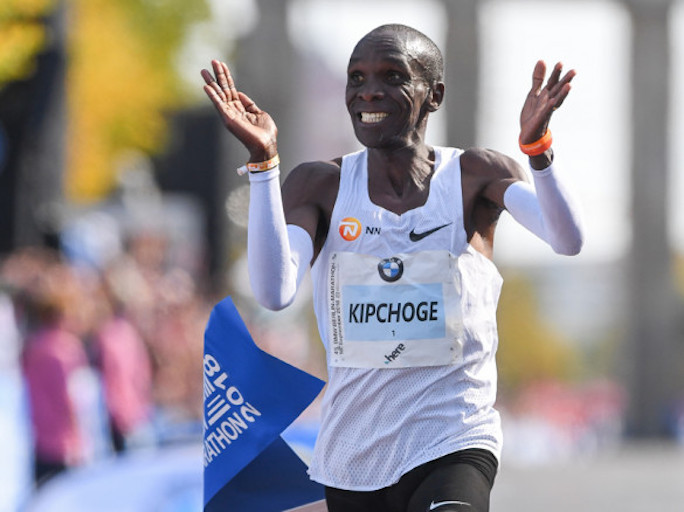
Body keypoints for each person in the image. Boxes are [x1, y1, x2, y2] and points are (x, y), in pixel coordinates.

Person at [201, 23, 582, 512]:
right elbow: (274, 291)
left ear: (434, 95)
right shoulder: (322, 185)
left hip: (454, 436)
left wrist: (539, 152)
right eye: (356, 79)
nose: (370, 91)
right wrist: (264, 164)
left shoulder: (475, 176)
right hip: (355, 453)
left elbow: (566, 239)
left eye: (392, 76)